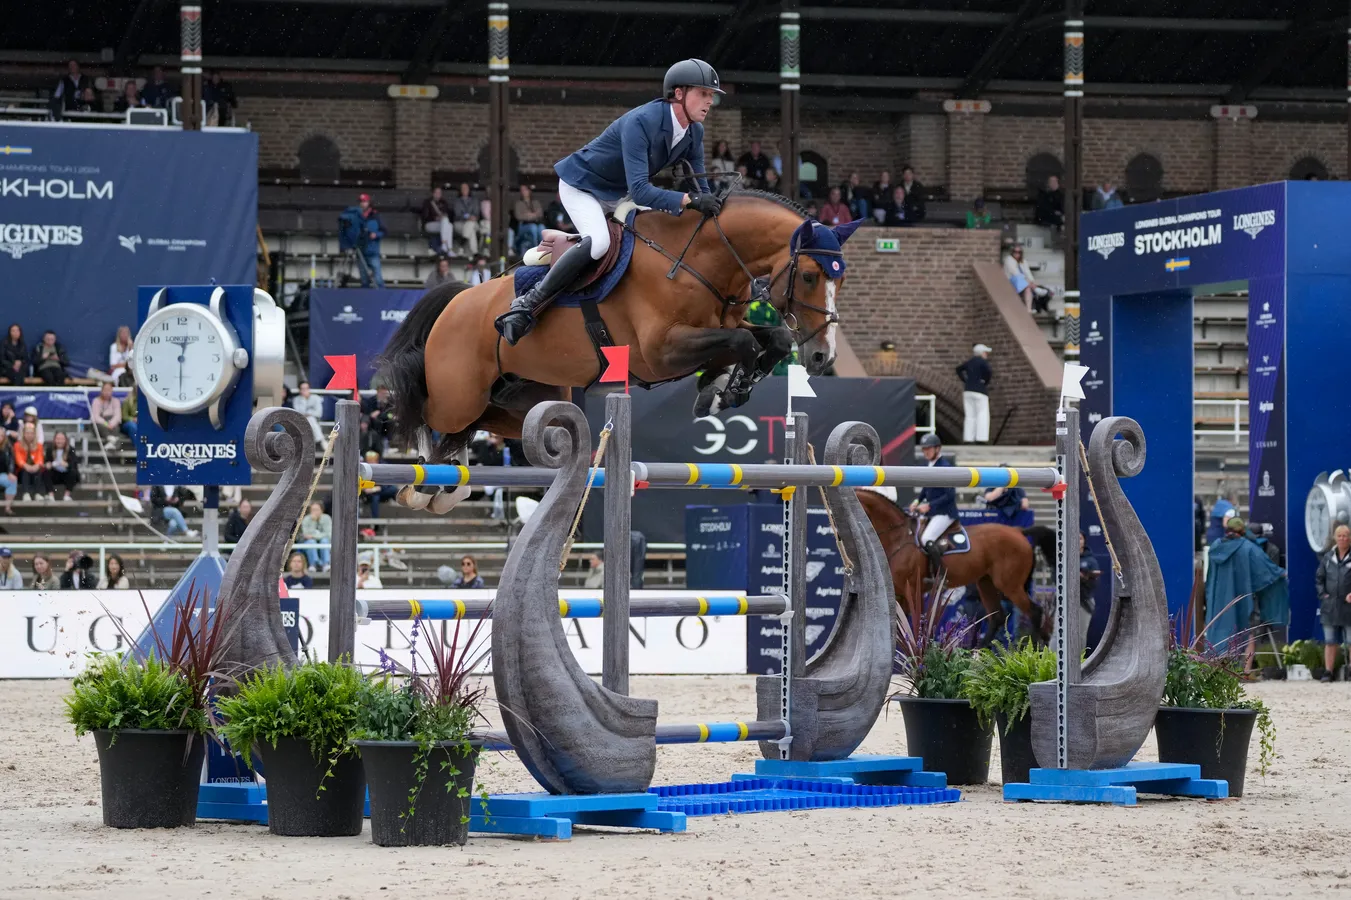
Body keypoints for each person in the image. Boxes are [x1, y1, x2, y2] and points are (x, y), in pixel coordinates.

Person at [495, 59, 724, 345]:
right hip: (583, 187)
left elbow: (700, 186)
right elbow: (642, 191)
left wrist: (711, 204)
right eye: (704, 93)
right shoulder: (643, 121)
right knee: (601, 243)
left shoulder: (694, 132)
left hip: (618, 196)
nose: (709, 101)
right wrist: (690, 199)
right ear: (679, 93)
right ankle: (527, 304)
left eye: (712, 96)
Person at [1204, 516, 1288, 670]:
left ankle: (1218, 670)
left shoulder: (1215, 547)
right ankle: (1245, 671)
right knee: (1248, 633)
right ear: (1242, 531)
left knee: (1219, 631)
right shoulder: (1248, 548)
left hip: (1218, 600)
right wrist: (1281, 574)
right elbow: (1266, 570)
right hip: (1243, 600)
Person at [911, 433, 958, 573]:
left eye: (928, 449)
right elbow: (926, 488)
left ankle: (940, 574)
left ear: (937, 449)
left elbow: (950, 495)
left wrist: (929, 505)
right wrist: (917, 501)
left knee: (926, 538)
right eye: (924, 449)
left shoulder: (945, 467)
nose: (925, 452)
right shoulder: (930, 464)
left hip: (945, 512)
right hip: (933, 511)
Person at [1316, 523, 1351, 682]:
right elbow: (1319, 579)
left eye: (1346, 535)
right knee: (1330, 641)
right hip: (1330, 606)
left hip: (1349, 606)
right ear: (1335, 538)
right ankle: (1328, 672)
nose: (1343, 538)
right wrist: (1323, 595)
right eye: (1340, 536)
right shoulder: (1328, 557)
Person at [339, 194, 386, 288]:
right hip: (360, 250)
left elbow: (384, 231)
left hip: (372, 251)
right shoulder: (356, 216)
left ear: (369, 203)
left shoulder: (375, 215)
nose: (362, 204)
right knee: (364, 279)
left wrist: (376, 235)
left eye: (364, 201)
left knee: (378, 278)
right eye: (361, 202)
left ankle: (381, 295)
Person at [956, 343, 993, 443]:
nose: (986, 355)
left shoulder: (969, 362)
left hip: (968, 390)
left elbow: (958, 369)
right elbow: (989, 372)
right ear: (982, 353)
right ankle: (981, 438)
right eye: (985, 352)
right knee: (982, 414)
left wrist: (965, 380)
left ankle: (968, 438)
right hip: (980, 391)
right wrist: (985, 381)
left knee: (970, 416)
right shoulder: (983, 362)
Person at [1003, 243, 1051, 313]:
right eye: (1015, 252)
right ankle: (1036, 289)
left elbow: (1027, 272)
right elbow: (1015, 273)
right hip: (1012, 281)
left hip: (1024, 283)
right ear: (1012, 252)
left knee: (1028, 288)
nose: (1017, 254)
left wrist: (1032, 282)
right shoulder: (1008, 260)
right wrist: (1029, 283)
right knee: (1022, 281)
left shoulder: (1023, 261)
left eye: (1019, 252)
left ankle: (1028, 309)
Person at [298, 501, 333, 572]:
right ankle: (313, 565)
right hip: (309, 542)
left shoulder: (327, 518)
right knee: (311, 541)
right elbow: (306, 535)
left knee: (324, 540)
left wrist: (314, 536)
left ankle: (325, 564)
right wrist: (313, 521)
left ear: (322, 510)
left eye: (317, 510)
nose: (314, 512)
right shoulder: (306, 519)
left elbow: (328, 534)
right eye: (313, 510)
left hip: (324, 541)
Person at [14, 422, 45, 502]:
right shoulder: (17, 445)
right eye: (27, 433)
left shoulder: (39, 445)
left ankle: (37, 494)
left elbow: (40, 459)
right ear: (23, 434)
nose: (29, 435)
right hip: (22, 471)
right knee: (25, 471)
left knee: (39, 471)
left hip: (34, 470)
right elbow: (18, 459)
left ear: (34, 434)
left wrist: (36, 466)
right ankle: (26, 494)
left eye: (31, 433)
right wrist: (26, 466)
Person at [512, 185, 545, 258]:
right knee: (533, 228)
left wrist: (528, 215)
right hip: (523, 225)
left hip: (536, 224)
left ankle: (544, 249)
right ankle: (535, 249)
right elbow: (518, 216)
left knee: (542, 228)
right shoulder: (518, 203)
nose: (523, 192)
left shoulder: (535, 202)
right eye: (521, 190)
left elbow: (540, 213)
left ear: (529, 191)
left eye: (525, 190)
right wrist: (533, 215)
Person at [89, 382, 123, 451]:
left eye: (109, 390)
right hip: (101, 423)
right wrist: (106, 424)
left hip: (111, 423)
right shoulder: (96, 401)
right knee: (99, 427)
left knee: (116, 427)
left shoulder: (116, 401)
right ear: (102, 391)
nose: (107, 392)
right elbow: (95, 416)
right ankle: (112, 440)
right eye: (105, 390)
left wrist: (111, 424)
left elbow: (117, 415)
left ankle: (111, 442)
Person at [421, 184, 453, 255]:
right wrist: (435, 218)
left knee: (449, 225)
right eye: (436, 192)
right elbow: (425, 216)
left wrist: (443, 216)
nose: (438, 194)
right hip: (430, 223)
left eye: (440, 193)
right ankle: (448, 248)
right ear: (433, 193)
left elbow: (448, 214)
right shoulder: (427, 202)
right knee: (447, 225)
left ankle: (446, 247)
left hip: (442, 224)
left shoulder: (444, 202)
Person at [450, 183, 481, 256]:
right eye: (463, 188)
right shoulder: (457, 201)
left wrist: (472, 217)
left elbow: (476, 213)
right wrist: (468, 217)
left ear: (469, 190)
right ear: (460, 190)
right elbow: (458, 214)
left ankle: (461, 245)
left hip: (473, 223)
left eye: (466, 188)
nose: (464, 190)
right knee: (471, 230)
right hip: (460, 223)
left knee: (470, 224)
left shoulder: (474, 200)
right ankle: (475, 252)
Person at [291, 381, 325, 446]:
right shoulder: (297, 399)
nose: (305, 390)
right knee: (309, 418)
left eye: (306, 388)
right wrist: (303, 399)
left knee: (310, 419)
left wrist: (308, 413)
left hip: (315, 420)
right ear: (300, 390)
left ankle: (318, 439)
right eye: (302, 389)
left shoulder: (316, 398)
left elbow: (319, 413)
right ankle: (320, 439)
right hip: (301, 421)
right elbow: (298, 413)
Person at [46, 431, 78, 501]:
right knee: (46, 472)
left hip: (66, 475)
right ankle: (51, 495)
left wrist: (66, 464)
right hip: (55, 474)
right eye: (57, 439)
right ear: (54, 440)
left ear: (65, 440)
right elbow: (47, 461)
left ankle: (67, 495)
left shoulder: (71, 449)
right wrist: (48, 465)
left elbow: (74, 464)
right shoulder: (50, 449)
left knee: (73, 472)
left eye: (62, 439)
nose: (59, 441)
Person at [0, 430, 14, 515]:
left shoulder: (8, 447)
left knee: (13, 480)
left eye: (1, 435)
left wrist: (10, 473)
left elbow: (11, 462)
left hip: (3, 475)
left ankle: (7, 508)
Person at [120, 381, 138, 446]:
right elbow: (124, 417)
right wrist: (133, 419)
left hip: (142, 423)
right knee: (132, 426)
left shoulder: (147, 401)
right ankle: (138, 448)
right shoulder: (127, 401)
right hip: (128, 423)